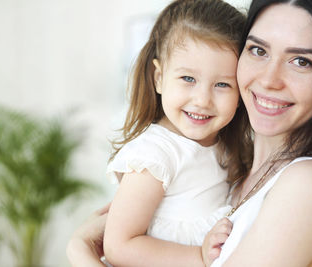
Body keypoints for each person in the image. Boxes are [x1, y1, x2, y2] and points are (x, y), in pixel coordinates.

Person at [67, 0, 312, 266]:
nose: (269, 80)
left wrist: (81, 253)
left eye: (301, 61)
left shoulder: (308, 185)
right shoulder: (231, 173)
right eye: (259, 51)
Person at [101, 0, 250, 266]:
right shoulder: (154, 155)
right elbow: (119, 246)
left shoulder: (225, 146)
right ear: (159, 78)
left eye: (222, 84)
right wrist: (198, 256)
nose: (203, 100)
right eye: (188, 79)